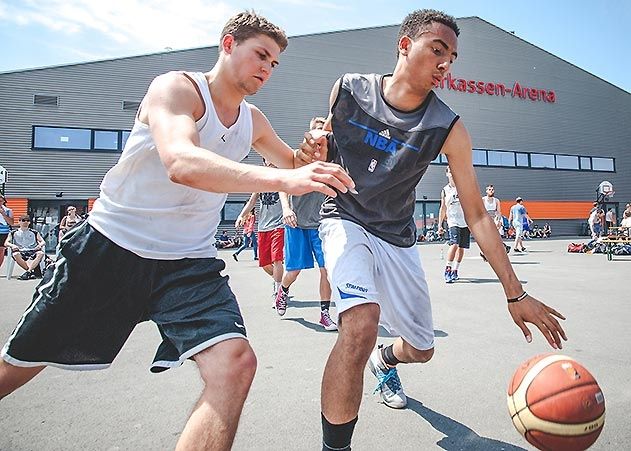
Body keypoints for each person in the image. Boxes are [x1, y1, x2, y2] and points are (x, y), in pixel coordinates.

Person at [0, 11, 354, 451]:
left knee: (235, 364)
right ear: (228, 44)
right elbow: (182, 163)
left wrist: (308, 151)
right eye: (260, 54)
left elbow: (295, 165)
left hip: (188, 262)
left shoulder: (253, 120)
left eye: (274, 62)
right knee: (17, 367)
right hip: (112, 248)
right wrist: (284, 179)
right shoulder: (177, 88)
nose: (267, 67)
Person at [297, 10, 567, 450]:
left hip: (397, 236)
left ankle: (387, 361)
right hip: (344, 216)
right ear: (405, 45)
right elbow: (309, 159)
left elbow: (477, 215)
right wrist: (308, 149)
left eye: (452, 57)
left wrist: (515, 292)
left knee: (422, 348)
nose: (447, 64)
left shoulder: (447, 126)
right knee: (361, 324)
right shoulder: (348, 89)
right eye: (437, 51)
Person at [275, 116, 337, 330]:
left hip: (320, 224)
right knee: (293, 272)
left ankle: (324, 313)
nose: (319, 136)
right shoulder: (299, 157)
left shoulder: (332, 160)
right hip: (297, 223)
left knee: (326, 270)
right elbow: (283, 185)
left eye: (323, 132)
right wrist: (286, 209)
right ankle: (282, 290)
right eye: (316, 131)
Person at [238, 181, 285, 304]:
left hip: (279, 225)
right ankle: (278, 279)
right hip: (263, 227)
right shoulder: (261, 182)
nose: (270, 163)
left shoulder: (282, 179)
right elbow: (252, 201)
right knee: (264, 264)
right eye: (267, 161)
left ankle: (278, 292)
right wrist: (241, 215)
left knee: (277, 259)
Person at [438, 166, 470, 283]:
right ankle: (448, 269)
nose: (452, 173)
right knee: (454, 244)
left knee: (461, 247)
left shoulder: (462, 187)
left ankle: (455, 270)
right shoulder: (445, 190)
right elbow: (443, 208)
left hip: (464, 221)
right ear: (447, 174)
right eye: (450, 171)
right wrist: (440, 225)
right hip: (452, 221)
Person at [4, 215, 46, 280]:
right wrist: (12, 245)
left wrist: (40, 245)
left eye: (28, 220)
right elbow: (6, 243)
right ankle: (30, 272)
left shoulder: (34, 232)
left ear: (29, 222)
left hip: (32, 250)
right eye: (23, 220)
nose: (25, 222)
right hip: (20, 250)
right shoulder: (13, 233)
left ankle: (28, 272)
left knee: (41, 253)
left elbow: (43, 242)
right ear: (19, 222)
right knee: (15, 254)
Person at [480, 184, 510, 261]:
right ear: (486, 191)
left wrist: (499, 221)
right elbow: (481, 211)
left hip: (494, 219)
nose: (491, 191)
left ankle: (501, 249)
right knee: (487, 238)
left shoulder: (496, 200)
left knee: (495, 237)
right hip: (486, 219)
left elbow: (499, 212)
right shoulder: (483, 199)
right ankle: (486, 253)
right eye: (489, 190)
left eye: (492, 189)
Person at [0, 194, 14, 271]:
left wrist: (3, 214)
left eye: (0, 201)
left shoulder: (8, 211)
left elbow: (11, 222)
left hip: (3, 232)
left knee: (1, 250)